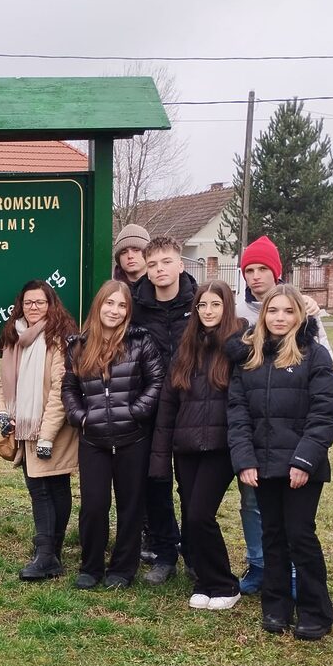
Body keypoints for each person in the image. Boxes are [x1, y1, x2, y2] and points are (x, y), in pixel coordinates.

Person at [227, 285, 333, 639]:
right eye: (273, 311)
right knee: (272, 534)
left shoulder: (314, 355)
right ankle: (275, 606)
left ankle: (315, 610)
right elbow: (238, 412)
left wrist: (305, 460)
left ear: (300, 316)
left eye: (288, 311)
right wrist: (244, 460)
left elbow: (326, 412)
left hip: (301, 466)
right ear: (263, 316)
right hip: (263, 465)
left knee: (300, 535)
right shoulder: (249, 358)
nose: (280, 318)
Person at [232, 235, 333, 596]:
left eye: (263, 269)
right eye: (249, 270)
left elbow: (324, 369)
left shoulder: (301, 309)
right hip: (256, 430)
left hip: (293, 431)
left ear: (276, 272)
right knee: (253, 503)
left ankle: (293, 574)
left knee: (295, 521)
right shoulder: (237, 311)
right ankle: (260, 564)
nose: (255, 276)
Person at [62, 279, 164, 589]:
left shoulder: (140, 342)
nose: (114, 310)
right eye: (109, 303)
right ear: (98, 305)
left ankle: (123, 568)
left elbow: (156, 381)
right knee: (94, 505)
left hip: (133, 437)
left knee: (130, 506)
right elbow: (69, 388)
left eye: (122, 305)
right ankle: (91, 566)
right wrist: (81, 417)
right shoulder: (78, 346)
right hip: (93, 439)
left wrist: (135, 412)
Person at [150, 280, 243, 610]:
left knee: (202, 515)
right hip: (186, 447)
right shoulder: (186, 348)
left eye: (215, 305)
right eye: (202, 305)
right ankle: (205, 580)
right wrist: (160, 458)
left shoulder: (239, 345)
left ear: (226, 307)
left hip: (221, 446)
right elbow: (168, 406)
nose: (208, 311)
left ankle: (225, 584)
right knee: (191, 516)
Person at [0, 280, 79, 581]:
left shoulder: (59, 339)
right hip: (23, 427)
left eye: (40, 302)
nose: (34, 308)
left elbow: (60, 390)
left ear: (51, 305)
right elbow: (3, 384)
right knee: (40, 489)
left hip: (52, 427)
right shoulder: (14, 338)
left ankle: (48, 555)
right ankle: (48, 552)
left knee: (51, 488)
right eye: (28, 302)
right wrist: (1, 413)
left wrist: (46, 436)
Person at [131, 235, 197, 584]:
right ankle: (164, 552)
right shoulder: (136, 306)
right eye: (153, 264)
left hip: (191, 406)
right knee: (155, 481)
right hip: (152, 406)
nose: (160, 270)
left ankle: (196, 554)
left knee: (191, 485)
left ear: (180, 264)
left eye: (166, 262)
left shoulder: (200, 302)